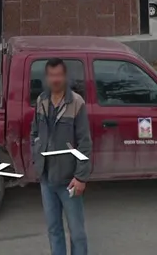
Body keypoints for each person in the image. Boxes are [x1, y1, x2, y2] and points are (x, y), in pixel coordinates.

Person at [31, 58, 92, 255]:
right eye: (51, 75)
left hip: (69, 181)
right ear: (47, 77)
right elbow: (34, 133)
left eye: (58, 75)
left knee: (77, 233)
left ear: (65, 76)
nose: (55, 79)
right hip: (46, 179)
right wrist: (37, 156)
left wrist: (81, 177)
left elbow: (84, 143)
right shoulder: (41, 101)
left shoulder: (76, 103)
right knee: (54, 230)